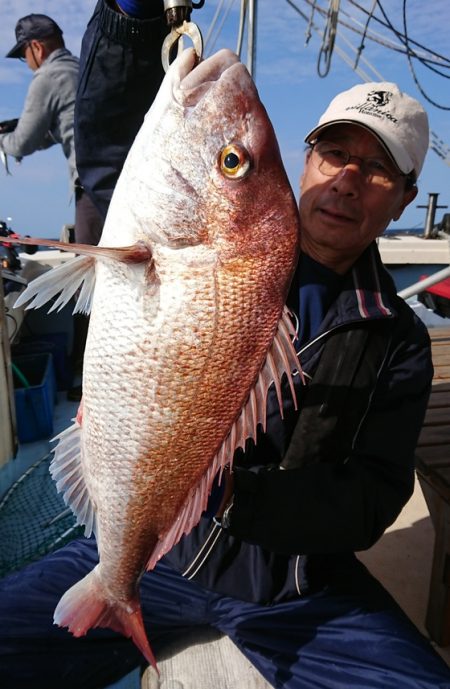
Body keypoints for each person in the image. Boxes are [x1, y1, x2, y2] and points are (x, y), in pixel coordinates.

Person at [1, 5, 450, 689]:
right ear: (306, 160)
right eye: (336, 152)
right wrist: (130, 19)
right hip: (159, 557)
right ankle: (115, 587)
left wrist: (224, 494)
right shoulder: (212, 240)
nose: (349, 179)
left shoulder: (399, 339)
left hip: (297, 591)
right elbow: (107, 139)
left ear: (406, 196)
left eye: (379, 167)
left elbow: (369, 498)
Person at [0, 13, 104, 247]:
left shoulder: (47, 77)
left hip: (90, 186)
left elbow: (22, 143)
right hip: (115, 179)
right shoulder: (80, 69)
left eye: (23, 55)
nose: (26, 63)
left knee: (89, 268)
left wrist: (3, 141)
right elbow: (67, 126)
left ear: (36, 47)